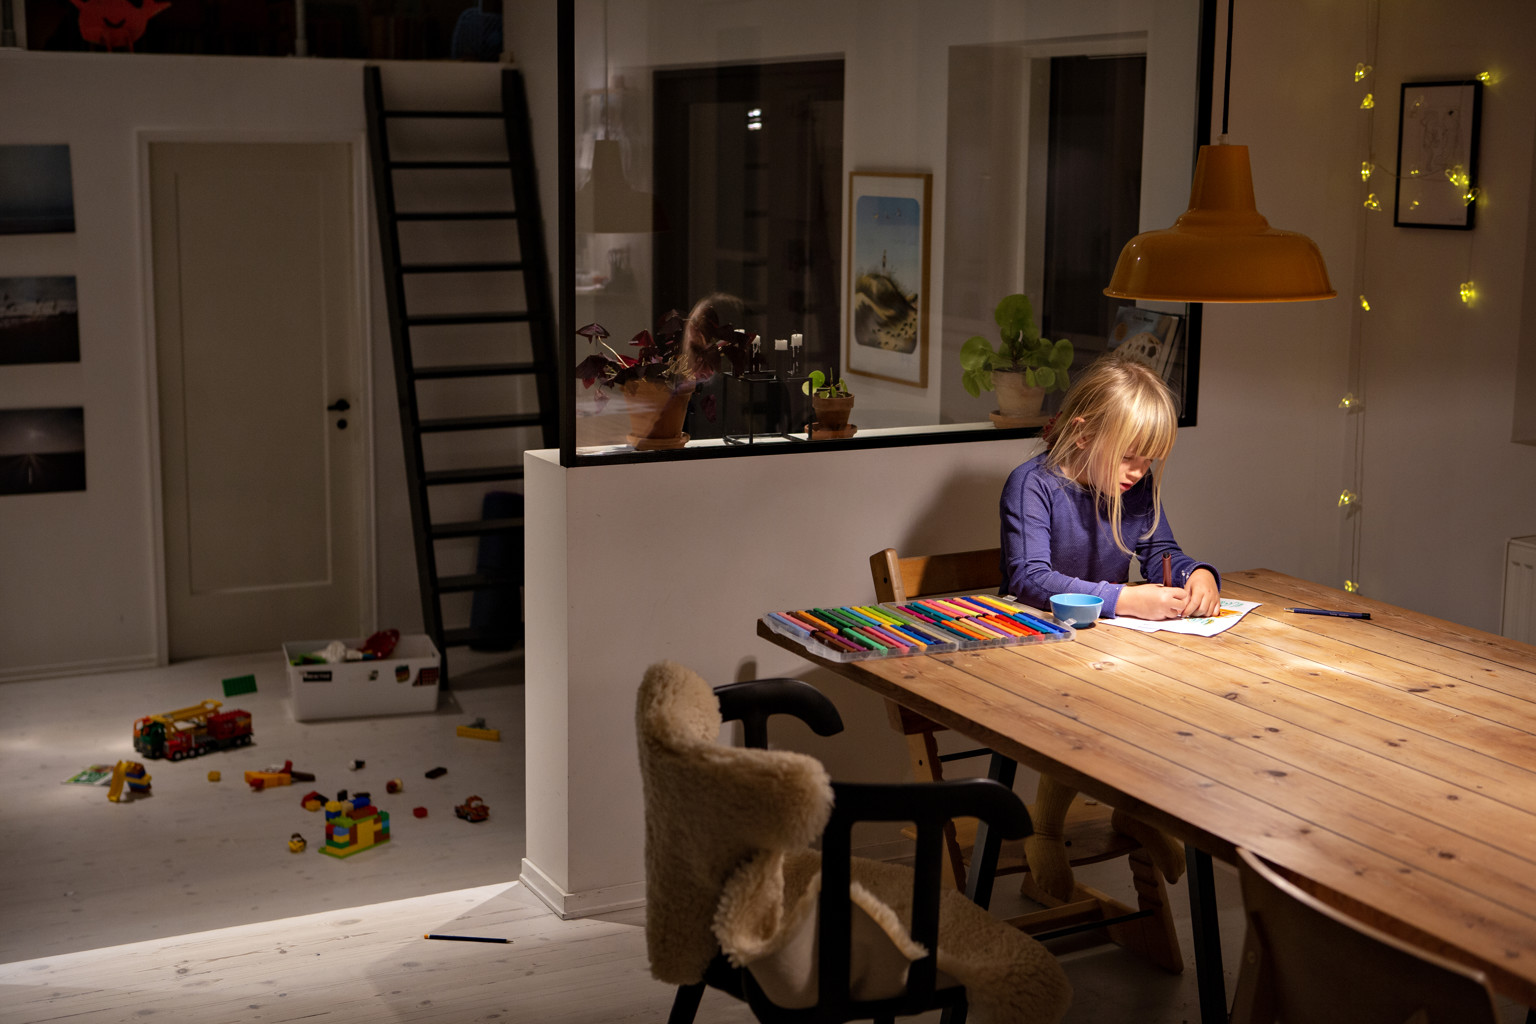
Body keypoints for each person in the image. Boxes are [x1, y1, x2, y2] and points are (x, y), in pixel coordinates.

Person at [1000, 351, 1220, 619]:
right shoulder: (1032, 484)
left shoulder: (1137, 484)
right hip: (1038, 630)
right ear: (1083, 435)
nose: (1138, 472)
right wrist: (1125, 600)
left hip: (1106, 635)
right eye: (1126, 457)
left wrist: (1196, 574)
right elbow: (1031, 580)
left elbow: (1161, 554)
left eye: (1149, 460)